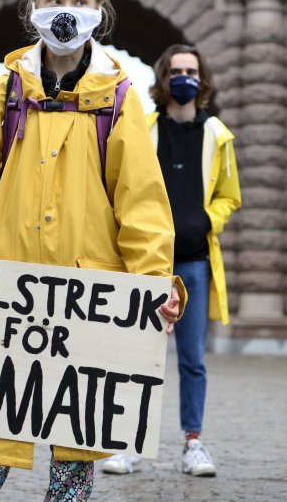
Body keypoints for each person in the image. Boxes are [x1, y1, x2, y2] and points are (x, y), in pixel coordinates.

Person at [0, 0, 184, 501]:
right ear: (33, 13)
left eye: (79, 2)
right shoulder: (5, 94)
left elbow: (142, 205)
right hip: (0, 303)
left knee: (73, 462)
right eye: (55, 0)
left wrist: (154, 283)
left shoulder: (119, 100)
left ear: (99, 15)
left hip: (85, 306)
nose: (66, 12)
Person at [102, 44, 241, 478]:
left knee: (192, 359)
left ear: (203, 80)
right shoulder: (143, 129)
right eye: (177, 70)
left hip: (196, 263)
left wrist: (206, 220)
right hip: (149, 266)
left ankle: (193, 443)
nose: (185, 77)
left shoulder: (219, 135)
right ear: (163, 79)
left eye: (192, 71)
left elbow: (230, 196)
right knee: (139, 356)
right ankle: (127, 443)